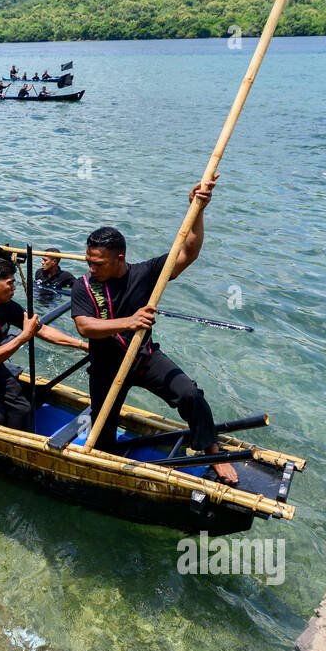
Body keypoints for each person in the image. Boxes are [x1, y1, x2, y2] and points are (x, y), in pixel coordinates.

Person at [71, 187, 239, 485]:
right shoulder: (84, 286)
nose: (91, 268)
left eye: (98, 263)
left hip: (144, 358)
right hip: (107, 368)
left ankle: (212, 449)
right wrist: (130, 321)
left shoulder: (147, 273)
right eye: (89, 261)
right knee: (101, 439)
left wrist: (198, 210)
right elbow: (85, 326)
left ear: (119, 258)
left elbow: (189, 252)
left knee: (190, 394)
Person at [0, 258, 87, 431]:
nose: (14, 288)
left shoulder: (6, 306)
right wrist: (23, 336)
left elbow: (41, 330)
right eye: (10, 283)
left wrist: (82, 345)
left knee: (23, 408)